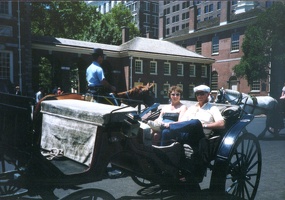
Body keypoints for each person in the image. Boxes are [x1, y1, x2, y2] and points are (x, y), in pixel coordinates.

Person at [160, 85, 225, 147]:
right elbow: (181, 122)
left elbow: (221, 124)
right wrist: (169, 124)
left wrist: (204, 125)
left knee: (196, 122)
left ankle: (170, 126)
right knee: (166, 132)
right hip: (187, 134)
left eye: (202, 93)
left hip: (200, 136)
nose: (199, 96)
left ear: (208, 94)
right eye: (197, 94)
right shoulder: (192, 108)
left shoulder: (213, 108)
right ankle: (163, 154)